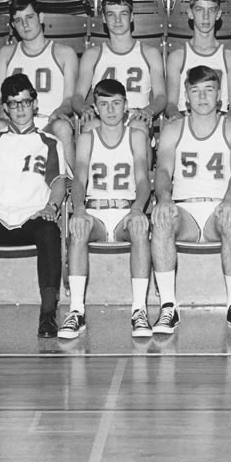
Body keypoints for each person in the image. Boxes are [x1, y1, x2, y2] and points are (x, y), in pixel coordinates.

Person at [0, 74, 68, 340]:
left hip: (33, 216)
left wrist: (51, 207)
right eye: (13, 103)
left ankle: (47, 314)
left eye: (25, 102)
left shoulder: (50, 143)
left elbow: (58, 182)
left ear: (35, 104)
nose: (20, 109)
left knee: (49, 231)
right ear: (5, 108)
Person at [151, 65, 231, 334]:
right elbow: (162, 171)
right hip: (185, 209)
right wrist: (164, 198)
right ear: (186, 96)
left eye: (209, 90)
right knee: (161, 220)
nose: (203, 97)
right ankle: (169, 307)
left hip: (219, 207)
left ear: (220, 95)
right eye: (195, 91)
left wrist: (230, 200)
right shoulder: (173, 129)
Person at [62, 79, 152, 339]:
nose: (111, 110)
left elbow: (143, 179)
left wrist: (138, 209)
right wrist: (78, 209)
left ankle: (139, 310)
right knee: (78, 229)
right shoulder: (88, 138)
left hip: (125, 210)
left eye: (116, 103)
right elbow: (79, 179)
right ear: (96, 108)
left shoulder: (136, 135)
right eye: (104, 104)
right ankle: (76, 311)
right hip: (96, 211)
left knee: (138, 229)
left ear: (126, 106)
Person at [0, 0, 79, 166]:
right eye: (18, 20)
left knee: (63, 128)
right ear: (13, 26)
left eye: (29, 17)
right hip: (14, 120)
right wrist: (1, 109)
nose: (25, 25)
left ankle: (71, 186)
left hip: (48, 121)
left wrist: (61, 110)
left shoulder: (64, 53)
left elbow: (69, 98)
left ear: (41, 17)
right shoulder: (6, 54)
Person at [75, 0, 166, 131]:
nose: (117, 20)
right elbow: (78, 96)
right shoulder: (92, 55)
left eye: (123, 14)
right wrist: (84, 109)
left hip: (137, 117)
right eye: (111, 14)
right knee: (90, 127)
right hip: (104, 118)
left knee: (138, 127)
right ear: (104, 19)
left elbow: (161, 96)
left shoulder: (150, 54)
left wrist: (149, 111)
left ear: (131, 17)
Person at [165, 0, 231, 119]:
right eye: (199, 10)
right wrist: (177, 119)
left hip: (219, 119)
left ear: (218, 14)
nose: (206, 17)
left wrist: (227, 123)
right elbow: (171, 104)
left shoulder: (230, 57)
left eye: (211, 10)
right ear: (190, 13)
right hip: (186, 119)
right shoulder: (177, 57)